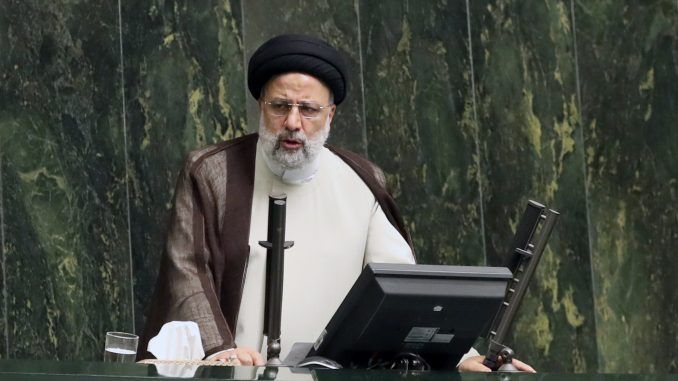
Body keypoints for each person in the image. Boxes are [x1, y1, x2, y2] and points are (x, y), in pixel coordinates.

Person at [139, 34, 534, 373]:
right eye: (280, 106)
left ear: (331, 113)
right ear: (261, 105)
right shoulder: (211, 172)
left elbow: (404, 290)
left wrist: (461, 356)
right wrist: (219, 352)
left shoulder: (363, 180)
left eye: (308, 109)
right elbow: (186, 275)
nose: (293, 122)